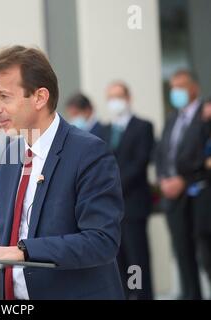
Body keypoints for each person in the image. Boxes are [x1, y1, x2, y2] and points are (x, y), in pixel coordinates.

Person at [0, 46, 125, 300]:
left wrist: (22, 251)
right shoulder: (11, 155)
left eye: (4, 97)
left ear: (39, 97)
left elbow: (101, 241)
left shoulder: (89, 153)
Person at [155, 70, 211, 300]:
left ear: (194, 88)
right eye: (173, 87)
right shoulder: (172, 118)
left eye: (181, 86)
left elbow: (204, 157)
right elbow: (161, 153)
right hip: (173, 197)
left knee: (206, 251)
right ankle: (190, 295)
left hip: (198, 194)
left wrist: (184, 180)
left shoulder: (206, 115)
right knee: (182, 250)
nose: (176, 92)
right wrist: (163, 180)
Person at [101, 81, 154, 300]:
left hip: (132, 204)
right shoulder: (105, 130)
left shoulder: (143, 127)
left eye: (118, 96)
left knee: (137, 258)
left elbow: (139, 162)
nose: (115, 101)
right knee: (117, 258)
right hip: (110, 210)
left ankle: (140, 295)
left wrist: (113, 186)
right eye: (110, 97)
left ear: (128, 98)